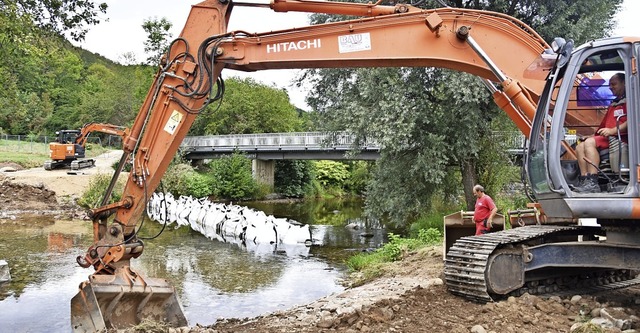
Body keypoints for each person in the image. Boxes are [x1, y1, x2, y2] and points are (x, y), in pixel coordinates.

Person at [573, 73, 627, 193]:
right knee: (580, 146)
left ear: (624, 83)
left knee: (589, 143)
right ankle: (585, 179)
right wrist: (592, 136)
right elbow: (603, 126)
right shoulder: (613, 104)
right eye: (609, 85)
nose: (610, 87)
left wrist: (612, 130)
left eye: (614, 84)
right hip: (609, 138)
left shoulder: (631, 102)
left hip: (621, 138)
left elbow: (632, 121)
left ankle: (593, 180)